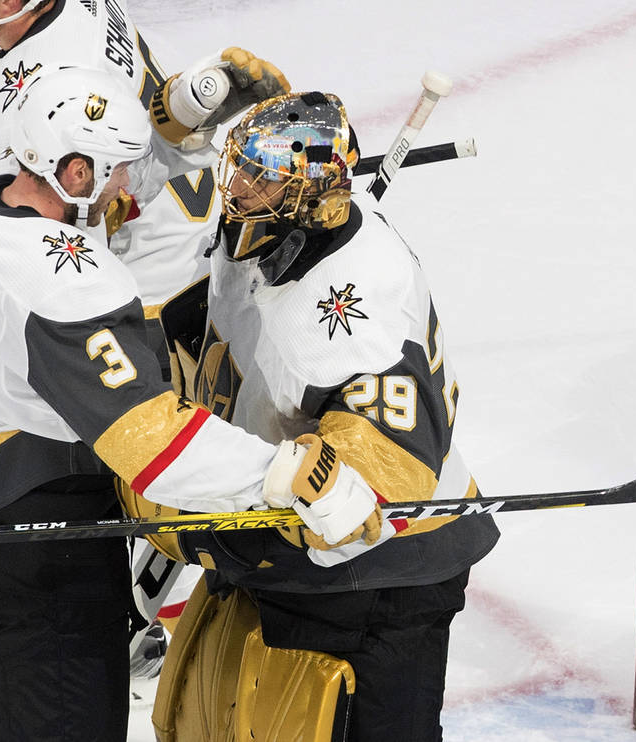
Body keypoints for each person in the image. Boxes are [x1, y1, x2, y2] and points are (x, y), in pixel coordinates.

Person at [0, 68, 389, 742]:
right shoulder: (62, 285)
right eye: (117, 172)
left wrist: (179, 119)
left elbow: (101, 187)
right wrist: (285, 473)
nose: (133, 188)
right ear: (73, 173)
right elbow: (154, 441)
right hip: (35, 531)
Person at [0, 1, 290, 667]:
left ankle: (131, 620)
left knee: (144, 451)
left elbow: (112, 191)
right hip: (183, 244)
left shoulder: (45, 75)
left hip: (140, 278)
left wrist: (5, 233)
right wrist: (187, 104)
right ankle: (136, 611)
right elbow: (138, 125)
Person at [149, 91, 501, 742]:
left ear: (307, 194)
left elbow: (391, 460)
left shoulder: (349, 323)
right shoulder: (297, 225)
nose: (240, 185)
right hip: (324, 554)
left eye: (263, 176)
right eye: (243, 166)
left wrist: (324, 470)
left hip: (389, 563)